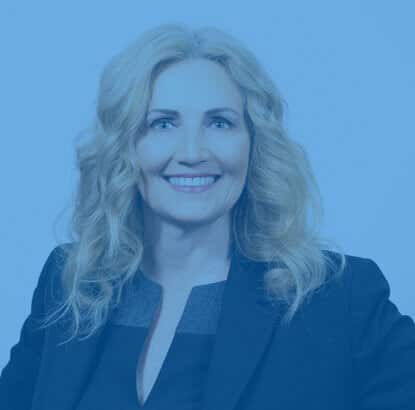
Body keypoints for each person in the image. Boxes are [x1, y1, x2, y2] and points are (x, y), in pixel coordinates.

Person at [1, 23, 415, 410]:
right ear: (124, 146)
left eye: (220, 123)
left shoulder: (340, 297)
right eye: (162, 124)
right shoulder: (70, 283)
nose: (193, 152)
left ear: (254, 143)